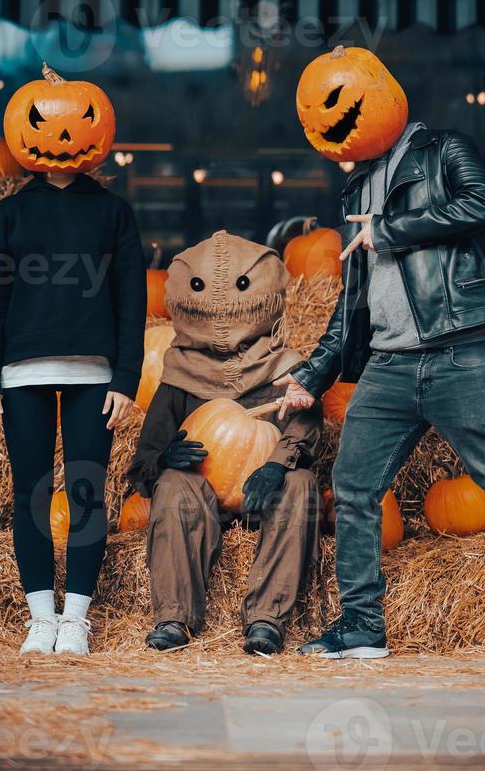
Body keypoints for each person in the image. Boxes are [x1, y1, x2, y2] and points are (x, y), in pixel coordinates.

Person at [277, 48, 485, 665]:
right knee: (356, 488)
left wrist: (386, 230)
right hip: (389, 367)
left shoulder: (442, 150)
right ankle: (362, 625)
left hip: (456, 354)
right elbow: (351, 302)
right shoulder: (355, 187)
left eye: (339, 104)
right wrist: (312, 374)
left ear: (380, 92)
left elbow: (478, 206)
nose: (328, 126)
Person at [0, 66, 146, 656]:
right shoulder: (11, 214)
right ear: (26, 133)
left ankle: (77, 619)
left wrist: (126, 377)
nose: (64, 136)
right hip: (21, 376)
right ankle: (40, 616)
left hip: (96, 376)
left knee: (88, 491)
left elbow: (131, 300)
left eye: (79, 123)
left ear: (99, 131)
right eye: (47, 123)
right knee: (32, 493)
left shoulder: (115, 213)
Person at [127, 231, 322, 655]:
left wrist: (277, 465)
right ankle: (175, 617)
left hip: (261, 497)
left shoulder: (286, 369)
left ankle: (267, 619)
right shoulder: (178, 377)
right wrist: (163, 460)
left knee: (302, 484)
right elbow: (142, 464)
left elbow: (304, 429)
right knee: (174, 485)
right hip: (202, 498)